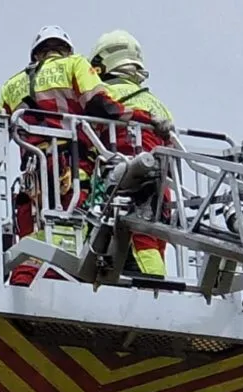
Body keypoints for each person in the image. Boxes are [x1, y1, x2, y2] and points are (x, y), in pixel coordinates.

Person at [0, 25, 173, 286]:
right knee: (74, 227)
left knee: (34, 231)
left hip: (33, 176)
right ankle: (67, 282)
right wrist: (141, 118)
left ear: (36, 53)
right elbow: (101, 105)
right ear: (66, 50)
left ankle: (25, 283)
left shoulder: (11, 85)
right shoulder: (74, 65)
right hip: (71, 170)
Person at [88, 29, 173, 277]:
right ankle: (157, 282)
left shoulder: (105, 94)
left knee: (140, 242)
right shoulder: (157, 103)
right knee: (155, 242)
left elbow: (89, 135)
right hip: (161, 188)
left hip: (128, 183)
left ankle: (153, 286)